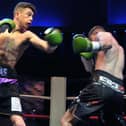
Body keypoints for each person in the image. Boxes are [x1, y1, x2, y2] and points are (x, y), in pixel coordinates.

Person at [0, 2, 63, 126]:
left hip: (9, 81)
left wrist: (54, 41)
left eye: (32, 17)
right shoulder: (2, 27)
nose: (31, 19)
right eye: (28, 15)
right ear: (17, 14)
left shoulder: (26, 35)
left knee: (18, 120)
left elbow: (47, 48)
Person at [61, 25, 126, 126]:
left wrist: (89, 46)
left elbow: (106, 43)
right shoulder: (120, 49)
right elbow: (90, 70)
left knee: (66, 121)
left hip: (101, 85)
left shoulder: (103, 34)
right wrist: (85, 57)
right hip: (118, 91)